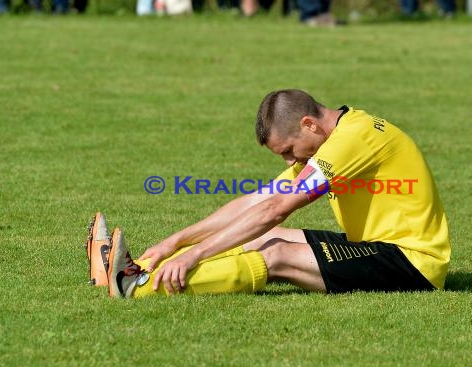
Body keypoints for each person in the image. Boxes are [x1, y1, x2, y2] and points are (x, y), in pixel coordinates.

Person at [87, 89, 451, 298]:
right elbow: (258, 200)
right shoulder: (335, 136)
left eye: (289, 150)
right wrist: (173, 243)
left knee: (275, 252)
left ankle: (137, 287)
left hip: (413, 263)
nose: (290, 159)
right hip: (376, 245)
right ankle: (131, 270)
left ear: (309, 124)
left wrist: (196, 254)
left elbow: (277, 210)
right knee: (266, 236)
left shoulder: (352, 140)